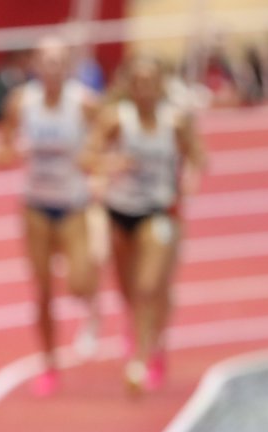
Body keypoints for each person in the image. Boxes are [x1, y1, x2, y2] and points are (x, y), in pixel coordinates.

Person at [83, 56, 206, 395]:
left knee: (150, 286)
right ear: (129, 87)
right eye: (138, 83)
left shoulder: (175, 122)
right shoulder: (116, 120)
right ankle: (141, 330)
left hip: (161, 211)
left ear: (160, 86)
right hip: (121, 211)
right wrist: (111, 163)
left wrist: (190, 178)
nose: (144, 90)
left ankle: (142, 358)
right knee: (128, 290)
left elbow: (199, 157)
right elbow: (86, 157)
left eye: (150, 82)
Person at [0, 36, 101, 397]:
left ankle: (93, 305)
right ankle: (50, 363)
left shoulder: (84, 102)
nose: (52, 68)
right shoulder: (21, 101)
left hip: (73, 203)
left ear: (68, 66)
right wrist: (10, 153)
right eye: (46, 61)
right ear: (34, 65)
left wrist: (95, 163)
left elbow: (105, 142)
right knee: (42, 291)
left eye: (59, 61)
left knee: (79, 282)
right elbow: (2, 148)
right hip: (35, 204)